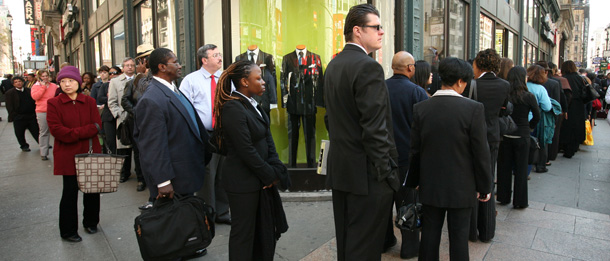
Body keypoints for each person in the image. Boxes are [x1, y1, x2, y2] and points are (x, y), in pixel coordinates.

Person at [324, 4, 400, 260]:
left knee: (347, 242)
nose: (381, 32)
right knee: (364, 248)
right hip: (367, 175)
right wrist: (388, 173)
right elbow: (375, 128)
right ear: (357, 31)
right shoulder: (368, 67)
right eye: (376, 27)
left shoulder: (333, 65)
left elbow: (332, 118)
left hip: (342, 169)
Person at [405, 57, 493, 260]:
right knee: (459, 239)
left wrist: (415, 180)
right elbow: (481, 152)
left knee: (429, 236)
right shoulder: (473, 109)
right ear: (461, 81)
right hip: (462, 186)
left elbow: (415, 150)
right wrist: (484, 186)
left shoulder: (422, 108)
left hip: (431, 183)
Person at [134, 47, 209, 258]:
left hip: (185, 169)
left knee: (183, 214)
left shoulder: (172, 89)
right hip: (173, 175)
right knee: (172, 218)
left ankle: (186, 247)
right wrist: (163, 182)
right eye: (175, 62)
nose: (179, 65)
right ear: (162, 67)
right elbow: (152, 146)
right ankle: (173, 251)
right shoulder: (152, 99)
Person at [215, 59, 289, 261]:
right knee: (244, 235)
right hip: (242, 183)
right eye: (259, 78)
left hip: (258, 179)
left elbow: (267, 137)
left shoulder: (253, 104)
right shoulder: (233, 107)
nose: (264, 82)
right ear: (244, 82)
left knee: (261, 231)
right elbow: (245, 150)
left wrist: (275, 169)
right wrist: (268, 175)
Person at [47, 66, 103, 243]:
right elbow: (57, 131)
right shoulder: (53, 103)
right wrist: (82, 132)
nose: (66, 84)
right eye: (62, 81)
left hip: (90, 151)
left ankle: (91, 222)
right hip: (67, 155)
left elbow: (97, 125)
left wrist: (74, 132)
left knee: (92, 190)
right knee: (70, 193)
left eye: (70, 81)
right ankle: (68, 230)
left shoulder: (89, 101)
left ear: (78, 82)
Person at [180, 44, 232, 224]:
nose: (220, 58)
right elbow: (185, 110)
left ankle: (222, 213)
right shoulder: (190, 80)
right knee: (207, 176)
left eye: (220, 54)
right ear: (204, 60)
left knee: (224, 174)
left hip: (224, 134)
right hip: (204, 135)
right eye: (216, 55)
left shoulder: (226, 79)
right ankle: (207, 215)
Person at [384, 51, 428, 259]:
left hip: (381, 157)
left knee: (383, 204)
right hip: (405, 159)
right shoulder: (417, 92)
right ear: (410, 68)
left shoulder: (380, 88)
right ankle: (409, 247)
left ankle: (385, 241)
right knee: (408, 204)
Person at [466, 48, 509, 243]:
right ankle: (487, 229)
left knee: (471, 179)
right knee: (488, 178)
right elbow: (503, 110)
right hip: (492, 136)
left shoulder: (472, 84)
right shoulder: (505, 85)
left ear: (479, 64)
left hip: (472, 136)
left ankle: (471, 228)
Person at [497, 66, 540, 209]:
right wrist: (530, 126)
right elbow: (537, 115)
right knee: (521, 170)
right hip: (522, 134)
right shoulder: (528, 96)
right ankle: (520, 201)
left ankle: (503, 197)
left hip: (506, 135)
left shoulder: (504, 94)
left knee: (504, 167)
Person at [122, 44, 154, 199]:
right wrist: (137, 113)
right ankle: (142, 179)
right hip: (138, 123)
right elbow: (125, 101)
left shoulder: (158, 79)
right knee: (139, 152)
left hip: (155, 123)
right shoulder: (133, 82)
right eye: (144, 60)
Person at [108, 58, 136, 182]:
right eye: (127, 65)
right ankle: (125, 172)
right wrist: (118, 114)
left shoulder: (139, 80)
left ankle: (140, 174)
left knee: (138, 147)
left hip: (136, 118)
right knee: (124, 146)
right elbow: (112, 102)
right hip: (123, 119)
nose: (130, 67)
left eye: (132, 65)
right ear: (123, 67)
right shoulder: (115, 82)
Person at [533, 61, 562, 172]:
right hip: (545, 118)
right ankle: (541, 163)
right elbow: (553, 106)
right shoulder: (553, 83)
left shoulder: (526, 84)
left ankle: (531, 161)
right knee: (543, 140)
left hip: (529, 117)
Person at [5, 76, 39, 151]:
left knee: (36, 131)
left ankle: (42, 144)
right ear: (13, 84)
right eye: (16, 82)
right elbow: (9, 106)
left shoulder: (29, 90)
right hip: (19, 117)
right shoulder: (10, 93)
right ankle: (24, 145)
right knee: (20, 133)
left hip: (31, 115)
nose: (18, 83)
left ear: (23, 82)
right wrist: (14, 116)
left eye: (19, 81)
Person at [31, 69, 59, 161]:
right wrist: (43, 87)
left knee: (57, 131)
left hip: (54, 111)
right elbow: (35, 97)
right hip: (42, 111)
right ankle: (44, 153)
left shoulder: (54, 86)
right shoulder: (35, 86)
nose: (45, 78)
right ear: (39, 77)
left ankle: (59, 151)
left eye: (46, 75)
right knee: (44, 132)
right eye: (43, 76)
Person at [97, 66, 122, 154]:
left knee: (121, 142)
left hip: (120, 116)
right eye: (110, 73)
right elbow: (100, 98)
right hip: (108, 117)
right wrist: (111, 98)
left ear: (119, 74)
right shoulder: (105, 85)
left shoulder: (123, 84)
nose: (112, 75)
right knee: (110, 140)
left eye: (114, 73)